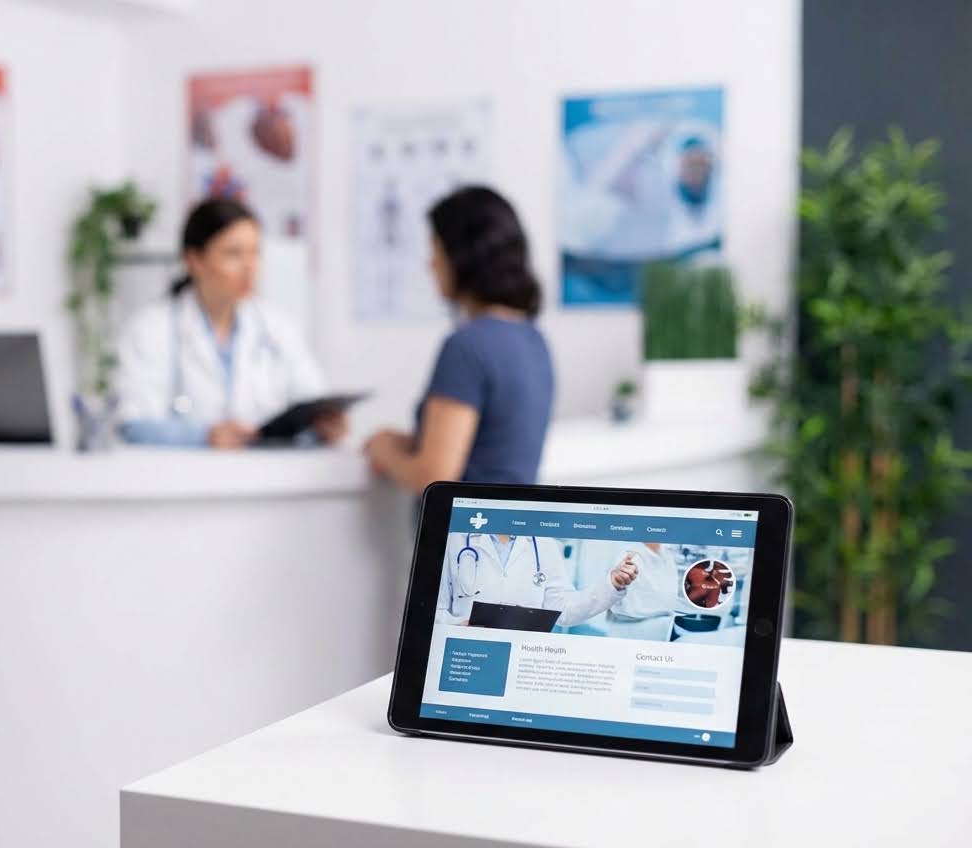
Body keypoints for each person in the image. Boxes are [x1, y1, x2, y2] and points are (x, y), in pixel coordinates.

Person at [364, 186, 553, 489]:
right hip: (515, 529)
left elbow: (434, 477)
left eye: (436, 251)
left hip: (463, 533)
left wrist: (384, 451)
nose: (431, 264)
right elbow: (491, 448)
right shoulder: (533, 340)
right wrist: (411, 442)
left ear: (463, 257)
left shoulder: (468, 347)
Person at [118, 198, 347, 448]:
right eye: (233, 254)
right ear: (194, 260)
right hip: (183, 480)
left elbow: (312, 399)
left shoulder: (277, 328)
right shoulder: (151, 329)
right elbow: (132, 424)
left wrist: (323, 426)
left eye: (255, 252)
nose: (250, 267)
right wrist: (204, 436)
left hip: (268, 478)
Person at [436, 533, 638, 625]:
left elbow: (563, 610)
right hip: (466, 653)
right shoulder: (456, 538)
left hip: (522, 658)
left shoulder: (542, 543)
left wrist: (612, 583)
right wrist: (456, 626)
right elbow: (433, 610)